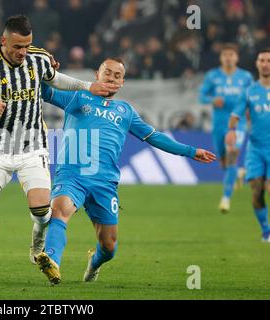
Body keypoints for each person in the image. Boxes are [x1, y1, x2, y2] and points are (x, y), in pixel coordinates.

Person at [0, 15, 118, 283]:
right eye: (17, 47)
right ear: (4, 41)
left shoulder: (38, 58)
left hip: (33, 147)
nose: (22, 52)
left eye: (27, 45)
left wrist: (88, 86)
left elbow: (57, 80)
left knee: (41, 209)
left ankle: (37, 240)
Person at [36, 57, 216, 284]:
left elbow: (154, 136)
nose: (111, 78)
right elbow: (43, 92)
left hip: (104, 182)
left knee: (109, 247)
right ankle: (52, 260)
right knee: (59, 209)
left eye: (117, 75)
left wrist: (190, 151)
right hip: (72, 173)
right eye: (107, 72)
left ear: (122, 82)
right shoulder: (78, 96)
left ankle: (94, 263)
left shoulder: (126, 111)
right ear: (96, 74)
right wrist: (43, 71)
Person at [199, 43, 253, 213]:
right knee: (224, 162)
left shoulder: (246, 77)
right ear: (221, 57)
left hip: (238, 124)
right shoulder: (212, 76)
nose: (228, 58)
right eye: (225, 55)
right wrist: (212, 100)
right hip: (219, 125)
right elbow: (202, 96)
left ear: (237, 57)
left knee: (231, 156)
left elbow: (252, 97)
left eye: (231, 54)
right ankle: (237, 174)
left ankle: (226, 198)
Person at [226, 48, 270, 242]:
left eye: (269, 60)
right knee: (257, 190)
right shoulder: (250, 91)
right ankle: (266, 231)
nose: (265, 64)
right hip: (256, 148)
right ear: (257, 64)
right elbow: (235, 115)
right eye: (262, 60)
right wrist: (231, 131)